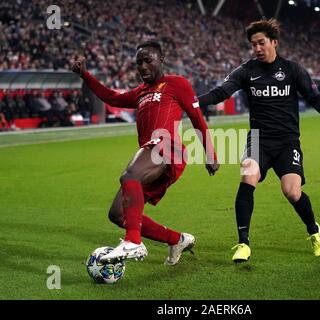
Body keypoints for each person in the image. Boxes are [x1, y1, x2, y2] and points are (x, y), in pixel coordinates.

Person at [198, 19, 320, 263]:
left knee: (291, 191)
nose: (257, 48)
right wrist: (192, 103)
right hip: (258, 140)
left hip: (287, 142)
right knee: (248, 177)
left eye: (261, 43)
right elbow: (221, 93)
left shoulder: (292, 70)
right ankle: (243, 244)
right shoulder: (246, 71)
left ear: (274, 42)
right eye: (253, 44)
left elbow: (315, 98)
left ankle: (314, 231)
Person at [71, 41, 219, 265]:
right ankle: (177, 239)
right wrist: (85, 75)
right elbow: (111, 97)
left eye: (147, 60)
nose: (142, 66)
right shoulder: (140, 92)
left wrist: (211, 155)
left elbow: (197, 119)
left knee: (129, 175)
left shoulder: (177, 84)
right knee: (118, 214)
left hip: (168, 147)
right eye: (138, 62)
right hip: (151, 152)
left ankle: (133, 242)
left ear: (161, 60)